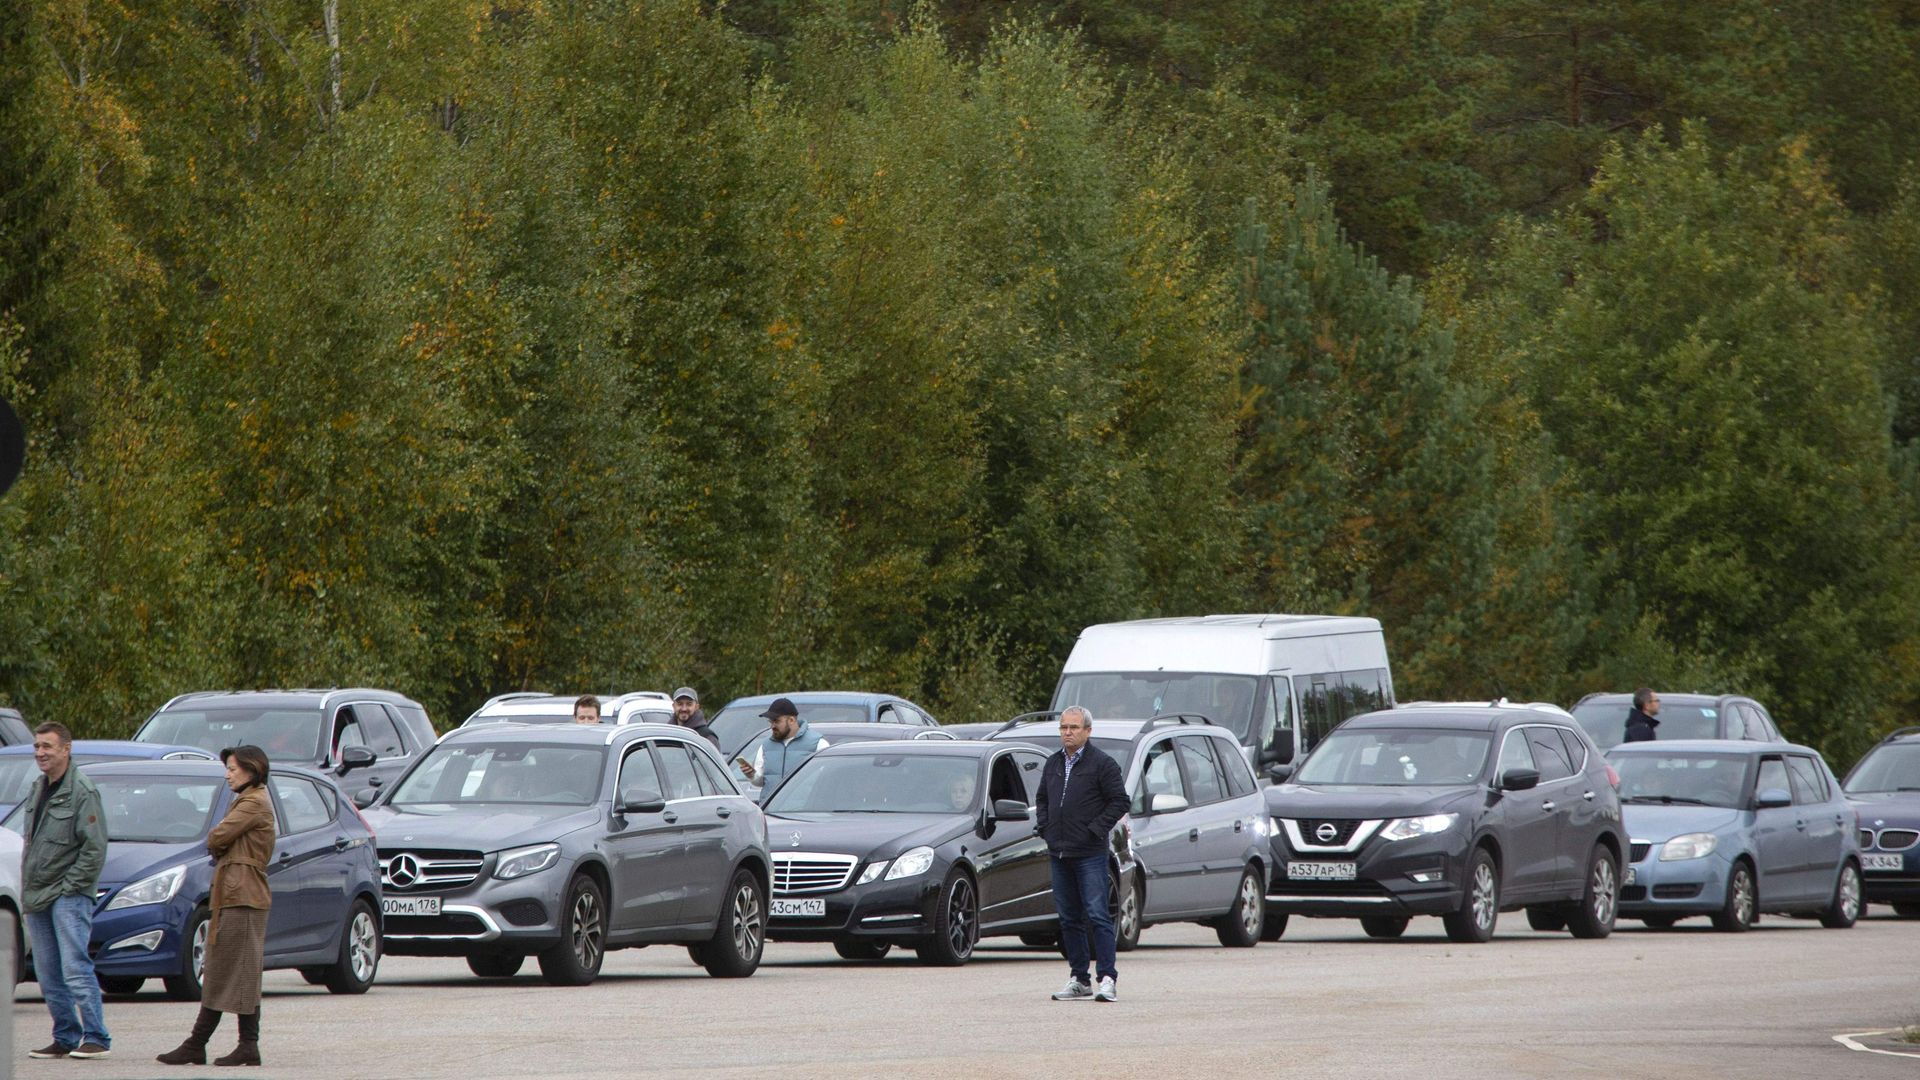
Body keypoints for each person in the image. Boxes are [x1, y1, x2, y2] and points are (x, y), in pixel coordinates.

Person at [158, 745, 276, 1067]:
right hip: (236, 893)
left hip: (244, 895)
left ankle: (205, 1043)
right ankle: (232, 1045)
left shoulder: (253, 803)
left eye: (233, 769)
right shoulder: (248, 800)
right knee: (228, 969)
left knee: (233, 971)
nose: (227, 775)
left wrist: (219, 842)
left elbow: (216, 837)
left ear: (252, 771)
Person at [20, 721, 111, 1060]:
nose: (40, 753)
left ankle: (96, 1036)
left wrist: (70, 887)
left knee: (74, 966)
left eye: (47, 746)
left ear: (66, 749)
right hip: (38, 894)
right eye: (37, 747)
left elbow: (94, 848)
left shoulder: (82, 790)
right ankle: (65, 1035)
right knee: (47, 970)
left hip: (68, 894)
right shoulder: (37, 787)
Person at [1034, 706, 1128, 1003]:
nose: (1068, 732)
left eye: (1074, 727)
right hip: (1059, 852)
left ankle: (1108, 978)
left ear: (1088, 730)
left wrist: (1094, 829)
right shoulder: (1052, 763)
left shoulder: (1103, 764)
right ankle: (1079, 978)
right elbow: (1042, 798)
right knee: (1069, 918)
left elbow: (1119, 801)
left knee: (1098, 915)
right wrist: (1046, 827)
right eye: (1063, 727)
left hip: (1089, 853)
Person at [738, 698, 827, 798]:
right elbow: (760, 781)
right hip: (769, 809)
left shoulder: (818, 744)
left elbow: (825, 781)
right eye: (771, 722)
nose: (772, 726)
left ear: (792, 720)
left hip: (803, 810)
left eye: (776, 721)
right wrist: (751, 775)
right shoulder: (766, 745)